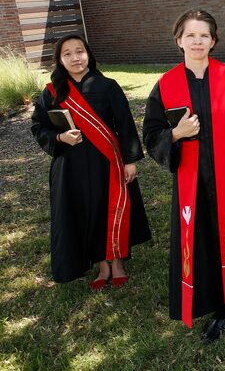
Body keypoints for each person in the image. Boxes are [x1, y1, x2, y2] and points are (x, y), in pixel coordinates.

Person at [142, 9, 225, 343]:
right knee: (203, 244)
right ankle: (219, 310)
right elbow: (151, 134)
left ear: (213, 41)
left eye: (204, 35)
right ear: (178, 40)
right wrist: (175, 134)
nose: (197, 41)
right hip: (193, 184)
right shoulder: (166, 84)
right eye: (190, 35)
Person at [31, 35, 151, 291]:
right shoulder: (52, 91)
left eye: (80, 51)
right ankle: (101, 264)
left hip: (107, 161)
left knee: (110, 207)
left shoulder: (108, 86)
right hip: (70, 165)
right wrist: (60, 137)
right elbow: (38, 126)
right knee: (85, 211)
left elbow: (125, 124)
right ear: (59, 60)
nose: (75, 58)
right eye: (68, 54)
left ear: (88, 54)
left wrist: (130, 160)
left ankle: (117, 261)